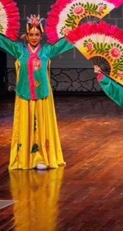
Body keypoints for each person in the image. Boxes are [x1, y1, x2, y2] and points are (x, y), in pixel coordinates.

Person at [0, 15, 75, 170]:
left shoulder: (47, 50)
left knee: (41, 126)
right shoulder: (19, 49)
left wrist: (71, 34)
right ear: (26, 36)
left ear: (41, 36)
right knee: (25, 126)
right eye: (31, 35)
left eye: (37, 34)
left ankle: (41, 157)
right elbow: (3, 41)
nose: (34, 37)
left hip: (42, 95)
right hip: (24, 94)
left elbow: (64, 44)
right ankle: (24, 158)